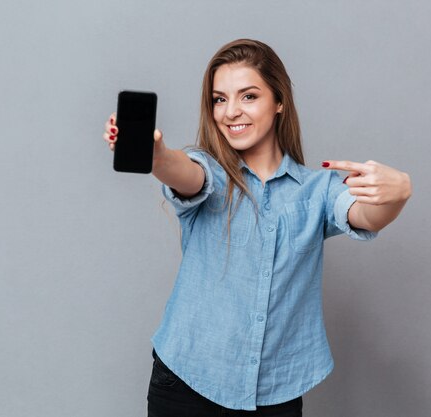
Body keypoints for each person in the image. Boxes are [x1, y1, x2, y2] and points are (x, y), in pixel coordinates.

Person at [104, 39, 412, 417]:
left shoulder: (318, 190)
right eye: (219, 99)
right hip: (186, 383)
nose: (231, 112)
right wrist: (158, 157)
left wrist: (397, 194)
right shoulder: (210, 170)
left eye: (248, 96)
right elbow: (188, 174)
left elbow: (365, 216)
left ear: (279, 101)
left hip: (276, 394)